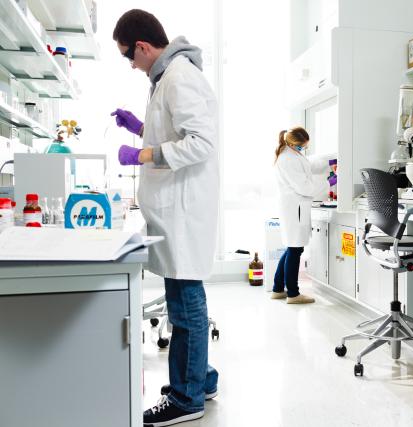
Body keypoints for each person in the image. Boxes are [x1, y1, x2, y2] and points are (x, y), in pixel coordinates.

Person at [111, 9, 220, 426]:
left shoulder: (179, 76)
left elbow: (200, 143)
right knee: (185, 301)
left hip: (184, 212)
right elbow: (171, 132)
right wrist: (139, 127)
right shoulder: (166, 79)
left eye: (128, 56)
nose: (131, 65)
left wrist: (143, 153)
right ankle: (201, 379)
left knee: (186, 305)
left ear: (142, 46)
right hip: (173, 212)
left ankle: (186, 398)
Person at [272, 127, 336, 304]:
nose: (304, 150)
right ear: (293, 144)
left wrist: (334, 158)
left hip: (294, 207)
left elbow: (310, 166)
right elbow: (304, 187)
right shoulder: (288, 159)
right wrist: (329, 181)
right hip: (295, 208)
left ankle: (278, 288)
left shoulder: (291, 155)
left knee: (292, 248)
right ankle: (293, 294)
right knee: (295, 249)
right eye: (302, 147)